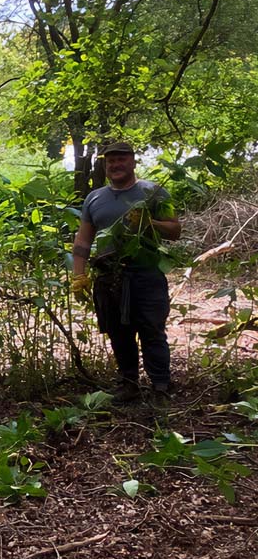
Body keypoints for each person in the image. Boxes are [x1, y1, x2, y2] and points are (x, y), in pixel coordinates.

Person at [70, 141, 182, 404]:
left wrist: (149, 222)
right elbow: (83, 241)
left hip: (146, 274)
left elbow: (175, 230)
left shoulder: (155, 193)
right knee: (119, 332)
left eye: (121, 159)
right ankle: (129, 384)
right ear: (105, 166)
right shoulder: (94, 198)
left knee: (152, 330)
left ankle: (160, 387)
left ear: (133, 162)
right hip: (109, 276)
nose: (116, 165)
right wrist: (78, 275)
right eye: (111, 161)